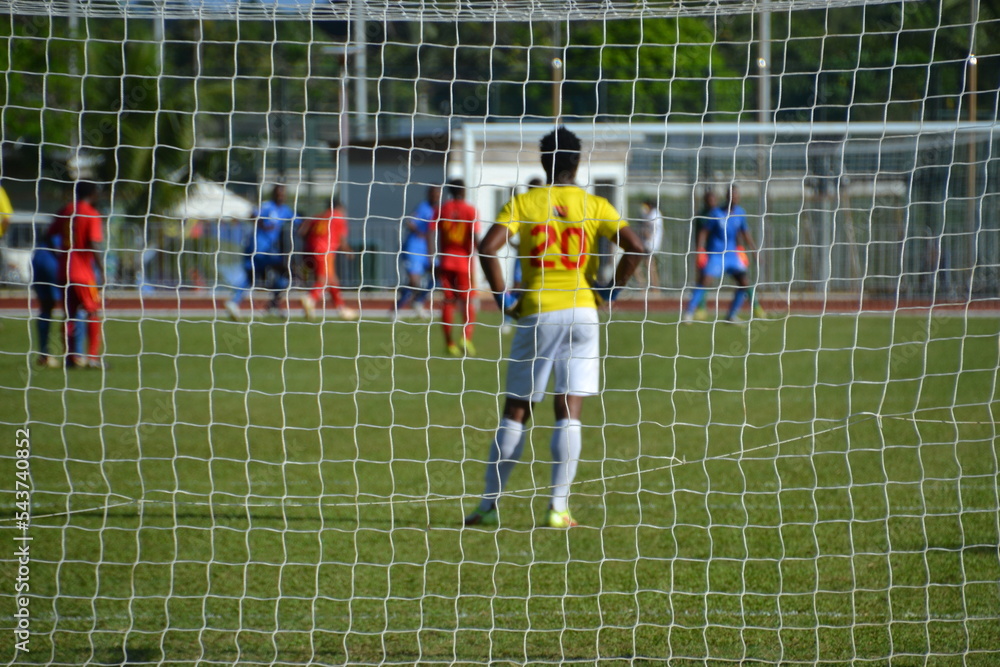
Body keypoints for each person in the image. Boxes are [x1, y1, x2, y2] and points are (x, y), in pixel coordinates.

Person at [467, 127, 644, 529]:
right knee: (569, 409)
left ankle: (488, 506)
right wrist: (611, 290)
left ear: (543, 163)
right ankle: (558, 508)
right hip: (583, 312)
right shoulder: (594, 204)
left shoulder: (526, 202)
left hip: (538, 311)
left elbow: (487, 247)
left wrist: (500, 297)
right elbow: (636, 247)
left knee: (517, 408)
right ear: (577, 163)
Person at [49, 181, 106, 368]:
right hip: (83, 273)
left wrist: (58, 255)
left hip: (63, 271)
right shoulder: (90, 213)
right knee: (94, 311)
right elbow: (94, 243)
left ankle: (71, 356)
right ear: (94, 193)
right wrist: (102, 270)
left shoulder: (65, 210)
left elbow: (47, 235)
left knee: (69, 314)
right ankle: (92, 357)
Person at [682, 184, 757, 323]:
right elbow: (704, 231)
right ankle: (689, 312)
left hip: (732, 255)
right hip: (716, 255)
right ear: (727, 197)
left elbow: (745, 232)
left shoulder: (740, 213)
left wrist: (754, 250)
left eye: (736, 195)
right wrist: (700, 250)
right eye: (731, 195)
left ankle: (731, 315)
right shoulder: (716, 213)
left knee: (744, 283)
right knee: (705, 280)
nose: (734, 197)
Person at [226, 184, 297, 320]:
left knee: (252, 277)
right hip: (259, 249)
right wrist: (262, 224)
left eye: (283, 194)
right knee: (286, 272)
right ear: (273, 194)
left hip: (268, 251)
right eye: (278, 193)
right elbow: (252, 214)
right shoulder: (267, 206)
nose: (281, 196)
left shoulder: (285, 210)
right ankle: (272, 304)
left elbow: (298, 220)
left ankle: (234, 302)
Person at [432, 179, 480, 356]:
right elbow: (474, 237)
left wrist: (433, 258)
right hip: (464, 263)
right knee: (467, 302)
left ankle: (449, 343)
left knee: (448, 303)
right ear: (464, 191)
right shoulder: (470, 210)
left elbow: (432, 232)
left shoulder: (441, 209)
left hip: (445, 261)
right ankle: (465, 337)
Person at [299, 196, 358, 321]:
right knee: (324, 278)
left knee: (332, 279)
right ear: (339, 207)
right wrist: (349, 251)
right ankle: (311, 299)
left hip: (310, 249)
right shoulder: (338, 217)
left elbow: (302, 232)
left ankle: (340, 308)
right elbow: (342, 240)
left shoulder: (318, 216)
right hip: (325, 250)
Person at [395, 185, 439, 320]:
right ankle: (397, 309)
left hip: (427, 250)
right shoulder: (423, 207)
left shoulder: (438, 210)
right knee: (415, 282)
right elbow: (410, 222)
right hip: (413, 248)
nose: (436, 196)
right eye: (434, 194)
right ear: (429, 194)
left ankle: (418, 302)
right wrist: (421, 233)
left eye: (438, 194)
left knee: (438, 273)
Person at [31, 219, 66, 368]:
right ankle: (74, 355)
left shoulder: (59, 218)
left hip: (38, 257)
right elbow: (60, 247)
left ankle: (44, 354)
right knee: (72, 308)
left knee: (45, 308)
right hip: (52, 261)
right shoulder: (71, 217)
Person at [639, 198, 664, 289]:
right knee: (648, 265)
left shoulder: (653, 214)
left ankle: (653, 287)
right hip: (649, 243)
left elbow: (648, 231)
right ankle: (652, 287)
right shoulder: (655, 214)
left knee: (649, 265)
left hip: (650, 244)